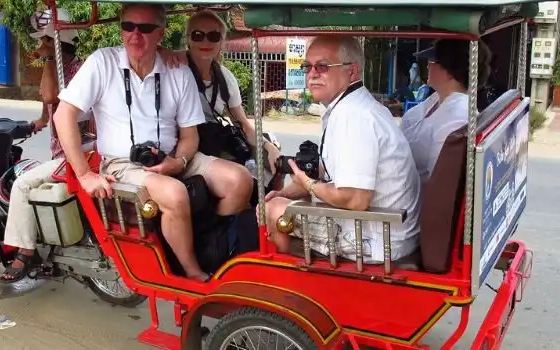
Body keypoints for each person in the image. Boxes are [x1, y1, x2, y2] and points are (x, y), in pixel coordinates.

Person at [53, 3, 252, 282]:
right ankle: (191, 270)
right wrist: (85, 174)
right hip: (124, 163)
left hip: (175, 154)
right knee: (174, 194)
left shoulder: (176, 70)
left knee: (240, 180)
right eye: (128, 27)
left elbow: (189, 136)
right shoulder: (103, 62)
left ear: (160, 34)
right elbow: (64, 114)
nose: (136, 35)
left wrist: (179, 161)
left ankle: (211, 246)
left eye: (146, 28)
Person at [0, 8, 187, 283]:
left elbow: (51, 95)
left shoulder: (77, 68)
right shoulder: (81, 66)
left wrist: (50, 59)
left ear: (58, 43)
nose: (39, 47)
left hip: (83, 154)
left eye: (45, 41)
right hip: (74, 152)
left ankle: (25, 253)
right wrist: (39, 121)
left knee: (22, 184)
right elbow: (48, 105)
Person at [260, 36, 422, 264]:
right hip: (389, 231)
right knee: (281, 201)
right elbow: (330, 173)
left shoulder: (351, 116)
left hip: (377, 240)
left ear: (352, 72)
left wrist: (308, 186)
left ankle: (296, 281)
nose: (312, 74)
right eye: (308, 67)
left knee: (272, 210)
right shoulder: (358, 106)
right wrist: (288, 192)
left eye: (323, 66)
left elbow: (355, 198)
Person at [183, 9, 284, 203]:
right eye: (198, 36)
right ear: (188, 39)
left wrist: (269, 147)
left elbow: (243, 123)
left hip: (214, 141)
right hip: (187, 144)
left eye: (213, 36)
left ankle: (264, 210)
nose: (205, 42)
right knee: (239, 178)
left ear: (221, 41)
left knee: (274, 161)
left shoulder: (224, 77)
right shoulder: (175, 70)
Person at [399, 39, 492, 181]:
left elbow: (439, 182)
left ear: (449, 72)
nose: (427, 66)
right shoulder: (437, 99)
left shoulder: (457, 117)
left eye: (432, 61)